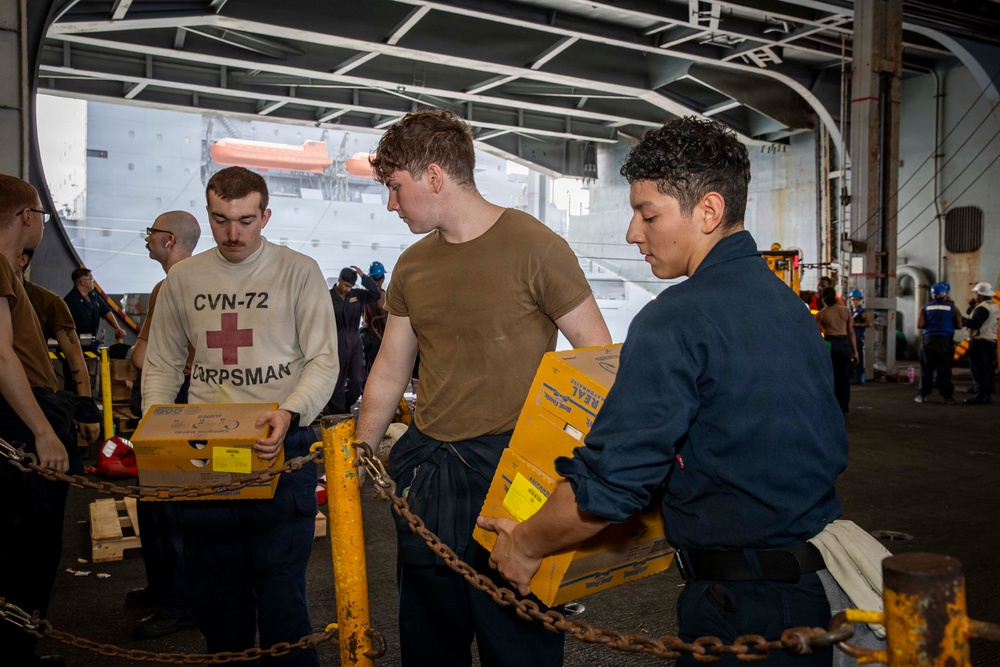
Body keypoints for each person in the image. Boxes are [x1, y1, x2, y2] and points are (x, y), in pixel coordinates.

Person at [477, 117, 851, 667]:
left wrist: (524, 544)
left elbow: (606, 489)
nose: (633, 233)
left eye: (647, 214)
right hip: (814, 595)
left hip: (738, 611)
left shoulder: (674, 320)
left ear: (709, 211)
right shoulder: (790, 309)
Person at [354, 109, 611, 667]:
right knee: (428, 645)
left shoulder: (535, 246)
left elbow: (596, 359)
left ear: (435, 177)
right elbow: (391, 369)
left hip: (512, 476)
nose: (392, 204)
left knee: (518, 646)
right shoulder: (413, 265)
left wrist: (587, 472)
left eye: (396, 188)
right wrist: (361, 446)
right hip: (430, 474)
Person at [141, 166, 339, 666]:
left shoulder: (299, 271)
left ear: (266, 215)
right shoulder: (184, 279)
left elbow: (322, 359)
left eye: (246, 220)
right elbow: (162, 361)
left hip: (281, 444)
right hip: (207, 451)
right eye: (221, 220)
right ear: (208, 214)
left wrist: (290, 414)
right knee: (216, 595)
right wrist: (156, 429)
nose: (233, 234)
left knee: (281, 595)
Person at [0, 174, 77, 667]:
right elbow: (2, 356)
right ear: (28, 216)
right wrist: (44, 432)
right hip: (20, 421)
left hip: (19, 416)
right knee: (25, 551)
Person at [127, 211, 201, 640]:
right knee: (159, 505)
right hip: (183, 401)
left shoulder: (171, 284)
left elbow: (143, 357)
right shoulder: (201, 280)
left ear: (169, 240)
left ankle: (179, 602)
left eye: (150, 234)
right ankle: (164, 590)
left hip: (172, 403)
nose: (146, 240)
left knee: (166, 506)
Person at [18, 249, 101, 468]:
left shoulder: (47, 302)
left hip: (39, 402)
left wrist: (86, 411)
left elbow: (75, 359)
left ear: (22, 260)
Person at [324, 265, 380, 415]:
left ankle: (345, 403)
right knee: (337, 380)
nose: (348, 289)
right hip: (335, 343)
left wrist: (363, 276)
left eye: (351, 286)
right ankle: (338, 411)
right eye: (346, 285)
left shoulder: (357, 295)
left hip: (354, 342)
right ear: (339, 280)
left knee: (357, 379)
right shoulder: (326, 297)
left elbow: (376, 294)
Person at [915, 282, 962, 404]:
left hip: (929, 340)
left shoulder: (925, 307)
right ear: (945, 294)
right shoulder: (952, 308)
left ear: (932, 294)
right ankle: (947, 397)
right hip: (945, 341)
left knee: (927, 369)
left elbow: (919, 325)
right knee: (945, 370)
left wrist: (931, 324)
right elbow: (959, 325)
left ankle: (922, 395)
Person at [816, 287, 858, 413]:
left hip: (830, 345)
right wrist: (855, 352)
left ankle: (832, 407)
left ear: (822, 299)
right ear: (835, 297)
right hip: (845, 345)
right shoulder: (845, 310)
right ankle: (843, 406)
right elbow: (851, 333)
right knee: (844, 378)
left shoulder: (821, 314)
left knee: (831, 377)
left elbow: (816, 336)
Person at [63, 267, 126, 344]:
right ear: (83, 282)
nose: (94, 282)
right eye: (91, 279)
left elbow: (106, 312)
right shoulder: (70, 301)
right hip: (76, 343)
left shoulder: (94, 296)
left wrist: (117, 328)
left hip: (91, 341)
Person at [963, 282, 998, 405]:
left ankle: (982, 395)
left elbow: (975, 324)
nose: (975, 295)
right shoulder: (993, 305)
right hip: (990, 339)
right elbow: (975, 315)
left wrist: (961, 320)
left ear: (981, 295)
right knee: (987, 367)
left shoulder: (983, 308)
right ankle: (987, 389)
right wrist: (972, 306)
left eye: (976, 293)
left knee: (979, 368)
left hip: (980, 340)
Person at [360, 260, 388, 374]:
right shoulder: (381, 295)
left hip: (364, 334)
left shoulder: (364, 294)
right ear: (382, 279)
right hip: (377, 336)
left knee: (364, 366)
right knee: (377, 370)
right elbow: (384, 317)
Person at [849, 289, 872, 384]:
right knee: (850, 358)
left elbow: (869, 324)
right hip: (849, 338)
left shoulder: (863, 312)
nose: (855, 301)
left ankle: (859, 375)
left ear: (861, 300)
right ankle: (852, 374)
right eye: (853, 299)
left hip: (858, 338)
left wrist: (855, 325)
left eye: (857, 299)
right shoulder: (849, 311)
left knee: (858, 357)